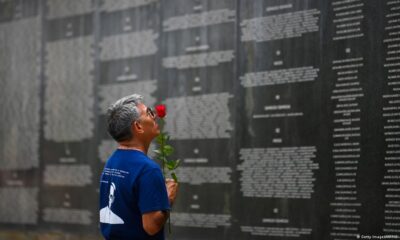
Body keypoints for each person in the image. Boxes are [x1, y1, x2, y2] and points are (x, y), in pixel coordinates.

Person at [99, 94, 178, 240]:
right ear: (138, 126)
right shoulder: (148, 169)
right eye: (149, 113)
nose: (154, 117)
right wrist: (168, 198)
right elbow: (151, 227)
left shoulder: (111, 162)